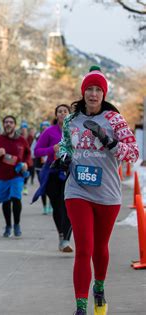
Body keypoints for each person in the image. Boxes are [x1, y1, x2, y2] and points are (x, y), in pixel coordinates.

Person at [54, 66, 138, 314]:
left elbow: (133, 153)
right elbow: (65, 145)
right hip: (77, 191)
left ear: (104, 94)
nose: (93, 94)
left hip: (107, 194)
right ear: (83, 92)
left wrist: (109, 140)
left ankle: (98, 288)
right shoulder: (72, 119)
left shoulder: (114, 120)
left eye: (97, 90)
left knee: (100, 248)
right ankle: (80, 307)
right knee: (84, 248)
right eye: (89, 89)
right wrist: (65, 157)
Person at [33, 105, 73, 252]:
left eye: (65, 111)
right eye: (60, 112)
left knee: (68, 206)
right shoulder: (49, 132)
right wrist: (52, 149)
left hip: (70, 173)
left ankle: (67, 241)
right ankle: (61, 235)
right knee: (57, 207)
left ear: (70, 115)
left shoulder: (75, 131)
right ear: (56, 115)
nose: (62, 114)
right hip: (53, 173)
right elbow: (37, 151)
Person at [0, 115, 31, 238]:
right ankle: (8, 225)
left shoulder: (21, 140)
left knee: (16, 198)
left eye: (11, 122)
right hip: (2, 176)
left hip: (17, 175)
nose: (8, 124)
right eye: (6, 122)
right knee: (6, 201)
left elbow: (28, 155)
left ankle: (17, 225)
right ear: (3, 124)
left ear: (15, 125)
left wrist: (26, 163)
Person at [32, 120, 51, 214]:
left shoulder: (53, 136)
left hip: (51, 166)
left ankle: (51, 204)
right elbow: (33, 151)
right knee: (42, 186)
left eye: (46, 126)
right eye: (43, 127)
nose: (45, 128)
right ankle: (44, 207)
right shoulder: (38, 136)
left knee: (52, 187)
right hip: (39, 166)